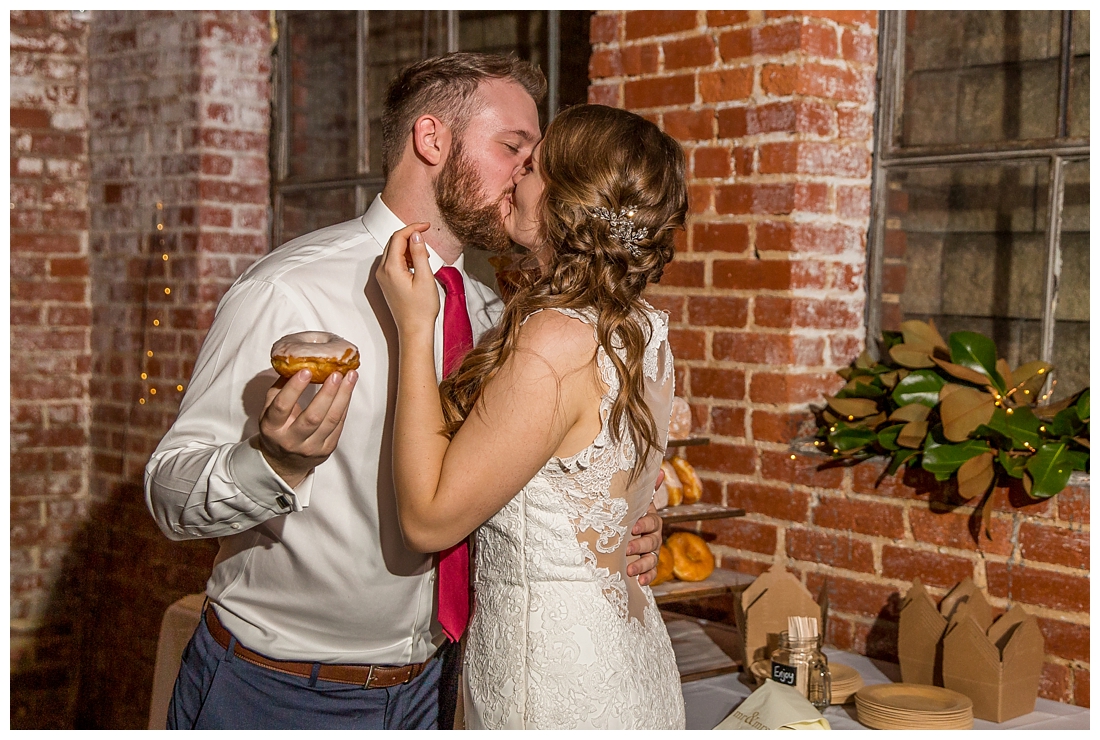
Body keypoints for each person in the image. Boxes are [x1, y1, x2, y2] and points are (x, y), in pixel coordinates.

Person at [143, 54, 665, 730]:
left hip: (444, 684)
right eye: (515, 148)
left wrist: (617, 530)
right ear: (432, 140)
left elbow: (524, 485)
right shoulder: (289, 290)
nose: (532, 173)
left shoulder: (493, 314)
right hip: (286, 691)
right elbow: (169, 495)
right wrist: (272, 462)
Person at [376, 103, 689, 729]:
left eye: (536, 165)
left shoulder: (555, 338)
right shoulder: (643, 326)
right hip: (625, 655)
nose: (517, 175)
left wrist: (416, 328)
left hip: (552, 675)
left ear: (568, 200)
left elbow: (431, 519)